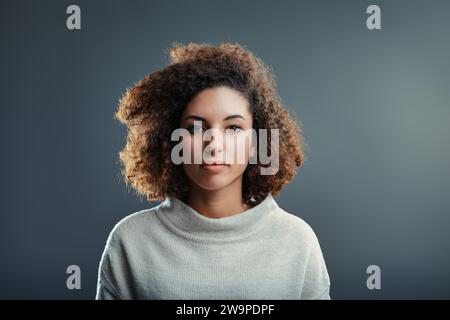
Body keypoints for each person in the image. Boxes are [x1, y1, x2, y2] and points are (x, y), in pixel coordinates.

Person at [95, 42, 331, 299]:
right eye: (196, 128)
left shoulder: (297, 241)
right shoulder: (131, 241)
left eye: (233, 128)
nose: (213, 145)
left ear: (256, 143)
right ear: (172, 141)